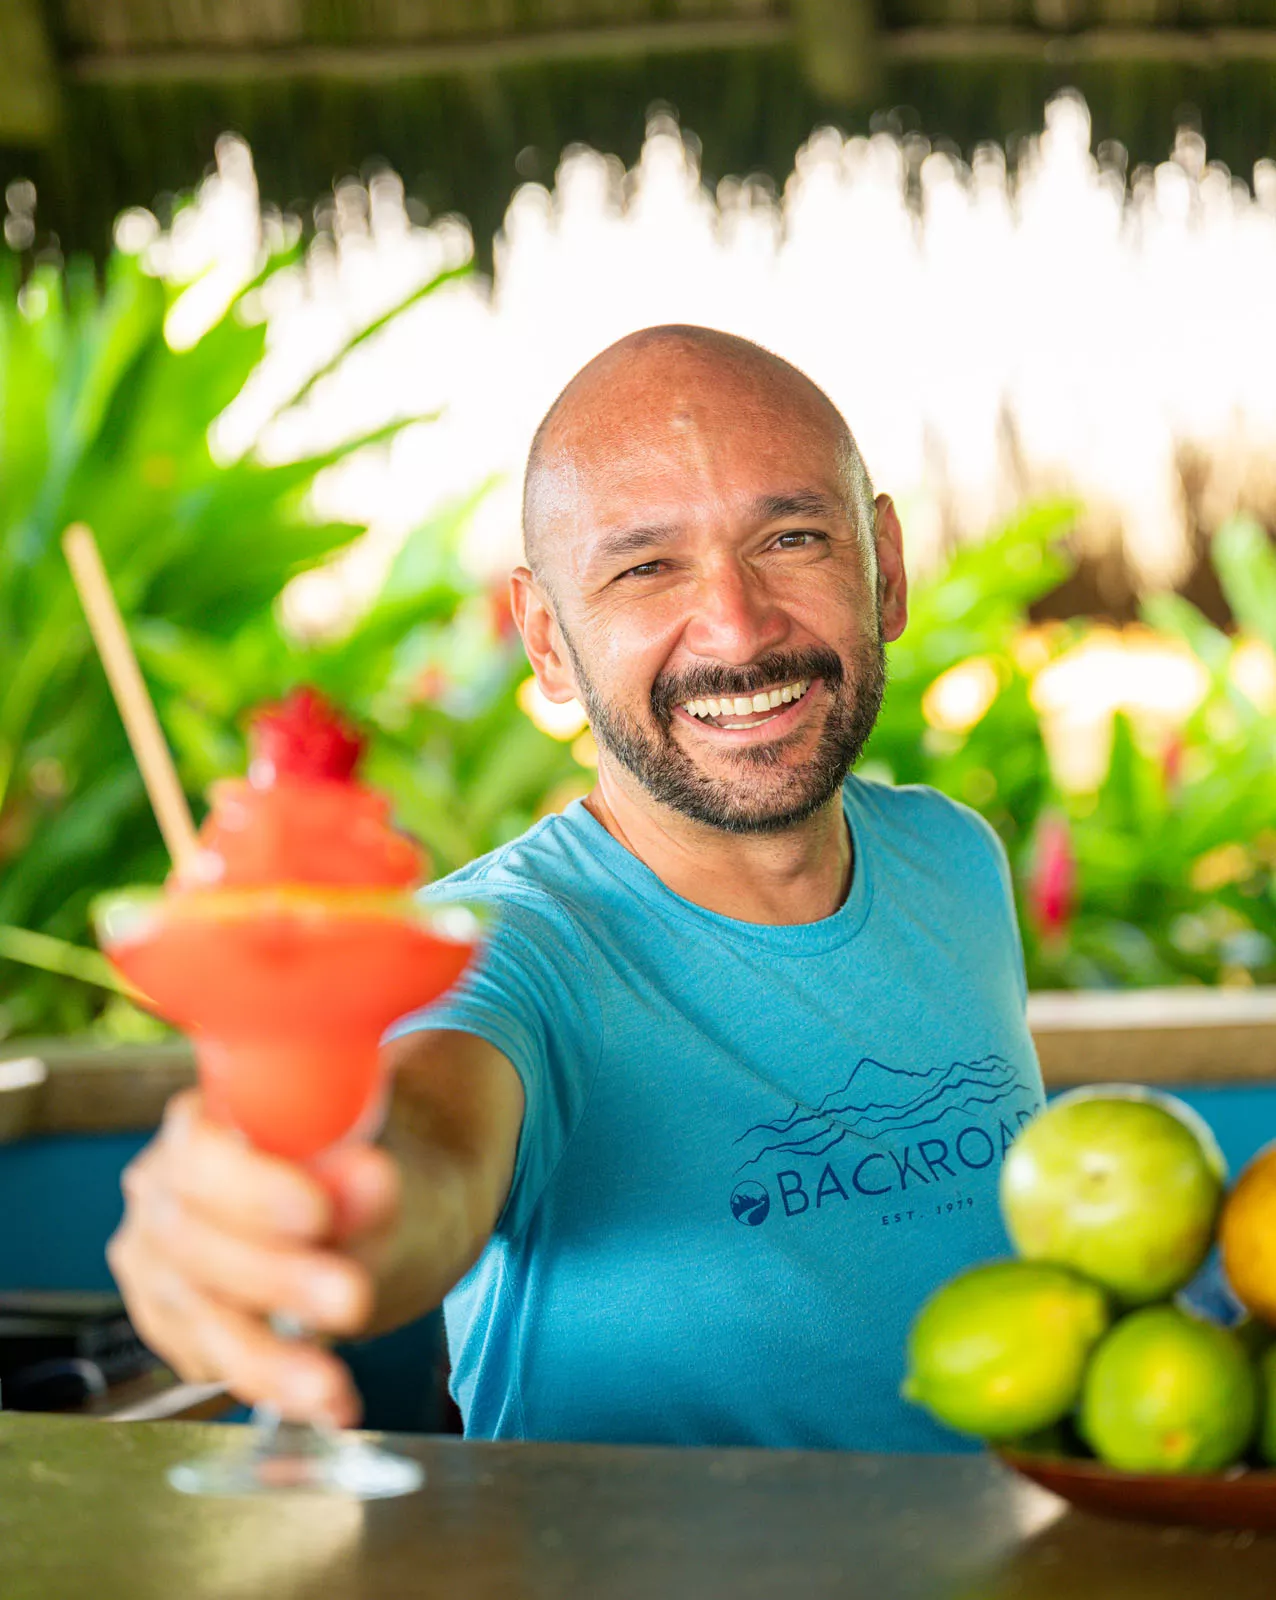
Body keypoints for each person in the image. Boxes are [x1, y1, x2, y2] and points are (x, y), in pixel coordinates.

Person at [109, 325, 1044, 1450]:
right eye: (645, 567)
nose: (737, 627)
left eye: (791, 537)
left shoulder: (956, 860)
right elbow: (432, 1149)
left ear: (882, 567)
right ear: (547, 640)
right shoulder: (500, 946)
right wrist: (324, 1216)